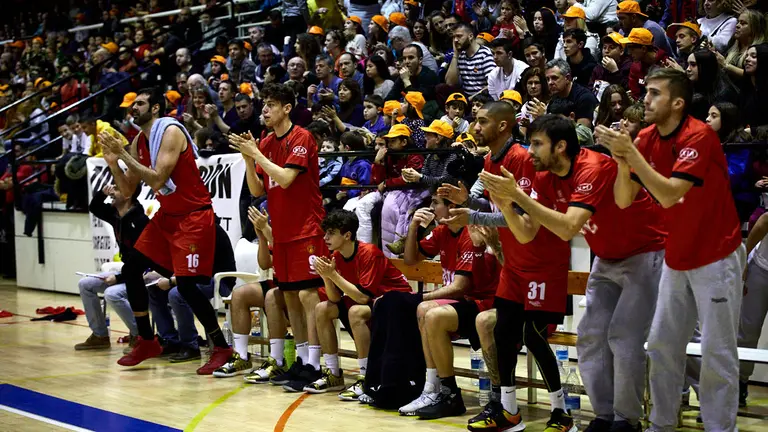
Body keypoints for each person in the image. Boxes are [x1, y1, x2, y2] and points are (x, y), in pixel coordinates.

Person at [483, 113, 666, 432]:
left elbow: (568, 228)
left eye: (537, 144)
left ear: (561, 146)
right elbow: (527, 232)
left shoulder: (592, 167)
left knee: (623, 337)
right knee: (591, 337)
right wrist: (507, 205)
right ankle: (604, 415)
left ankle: (626, 420)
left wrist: (517, 196)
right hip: (607, 257)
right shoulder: (543, 177)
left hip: (645, 252)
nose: (530, 151)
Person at [596, 68, 745, 432]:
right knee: (661, 345)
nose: (645, 99)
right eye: (646, 92)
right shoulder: (645, 139)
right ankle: (661, 425)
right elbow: (623, 199)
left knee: (716, 352)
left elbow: (668, 193)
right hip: (676, 256)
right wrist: (621, 160)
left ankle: (720, 428)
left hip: (716, 255)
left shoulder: (700, 135)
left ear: (677, 103)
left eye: (654, 93)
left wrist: (631, 153)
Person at [437, 101, 573, 431]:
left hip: (541, 262)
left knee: (534, 336)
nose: (474, 126)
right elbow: (488, 205)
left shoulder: (523, 159)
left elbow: (521, 217)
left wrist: (473, 214)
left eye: (482, 121)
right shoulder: (488, 160)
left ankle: (560, 411)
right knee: (502, 332)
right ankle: (508, 410)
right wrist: (466, 202)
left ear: (502, 126)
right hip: (514, 264)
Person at [99, 88, 233, 375]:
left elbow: (158, 179)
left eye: (141, 104)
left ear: (156, 108)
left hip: (193, 217)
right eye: (132, 105)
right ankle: (147, 340)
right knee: (133, 265)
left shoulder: (170, 131)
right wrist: (113, 162)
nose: (133, 109)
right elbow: (127, 190)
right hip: (168, 216)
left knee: (185, 286)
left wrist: (124, 153)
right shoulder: (139, 141)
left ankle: (221, 346)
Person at [227, 83, 329, 391]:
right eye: (264, 105)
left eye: (270, 105)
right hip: (282, 234)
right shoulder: (267, 142)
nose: (265, 110)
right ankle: (301, 361)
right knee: (288, 299)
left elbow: (285, 178)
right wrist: (248, 159)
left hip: (307, 230)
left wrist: (256, 152)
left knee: (308, 297)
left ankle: (316, 363)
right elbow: (259, 190)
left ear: (286, 108)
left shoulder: (302, 137)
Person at [398, 186, 500, 419]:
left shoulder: (471, 231)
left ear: (452, 206)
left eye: (435, 203)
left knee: (426, 310)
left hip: (485, 301)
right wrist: (414, 226)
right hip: (467, 301)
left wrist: (416, 298)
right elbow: (410, 260)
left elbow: (462, 287)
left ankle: (446, 391)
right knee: (422, 310)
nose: (431, 208)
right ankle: (434, 388)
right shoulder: (443, 231)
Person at [305, 210, 411, 397]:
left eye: (331, 233)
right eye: (325, 233)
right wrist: (327, 277)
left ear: (347, 235)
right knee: (322, 308)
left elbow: (363, 297)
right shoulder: (337, 256)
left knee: (355, 311)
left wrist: (333, 275)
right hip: (373, 303)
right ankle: (333, 374)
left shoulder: (369, 252)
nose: (326, 237)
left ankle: (366, 377)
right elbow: (335, 299)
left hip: (396, 303)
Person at [74, 184, 148, 351]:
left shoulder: (140, 221)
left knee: (112, 293)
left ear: (128, 195)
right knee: (85, 284)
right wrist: (102, 193)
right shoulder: (115, 215)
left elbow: (142, 261)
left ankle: (140, 335)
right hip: (127, 270)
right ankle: (100, 335)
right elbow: (94, 207)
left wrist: (118, 278)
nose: (112, 192)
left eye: (117, 188)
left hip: (143, 274)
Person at [542, 59, 599, 129]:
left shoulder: (585, 98)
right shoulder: (555, 97)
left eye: (554, 78)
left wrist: (545, 119)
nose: (550, 83)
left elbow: (582, 135)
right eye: (547, 79)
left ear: (567, 78)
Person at [446, 23, 497, 95]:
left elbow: (493, 85)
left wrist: (472, 98)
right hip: (468, 98)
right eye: (454, 37)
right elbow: (450, 83)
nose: (455, 40)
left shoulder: (485, 54)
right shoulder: (461, 55)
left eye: (459, 36)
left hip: (483, 99)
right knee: (441, 89)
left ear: (470, 36)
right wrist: (455, 55)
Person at [621, 28, 668, 99]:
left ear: (643, 49)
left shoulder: (667, 63)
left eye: (632, 49)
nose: (629, 53)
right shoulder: (635, 67)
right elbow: (635, 95)